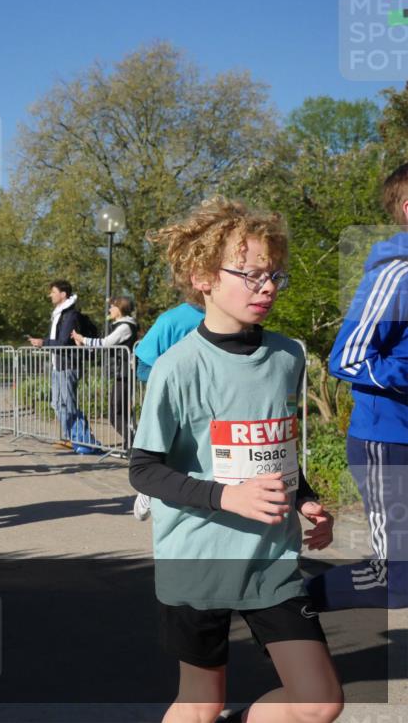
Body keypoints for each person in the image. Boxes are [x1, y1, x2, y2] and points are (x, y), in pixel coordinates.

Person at [130, 197, 342, 723]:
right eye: (250, 275)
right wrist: (227, 496)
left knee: (319, 703)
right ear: (203, 277)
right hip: (198, 562)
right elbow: (144, 469)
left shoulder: (288, 355)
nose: (267, 287)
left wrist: (308, 501)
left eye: (274, 276)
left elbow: (275, 451)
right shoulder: (177, 368)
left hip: (273, 562)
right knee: (202, 705)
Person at [307, 162, 408, 611]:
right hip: (388, 440)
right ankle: (289, 608)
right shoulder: (396, 274)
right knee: (396, 580)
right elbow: (346, 358)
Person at [131, 301, 205, 520]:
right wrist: (178, 380)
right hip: (177, 406)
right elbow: (143, 368)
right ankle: (148, 490)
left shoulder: (237, 317)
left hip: (217, 403)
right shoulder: (171, 320)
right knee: (171, 452)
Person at [27, 279, 99, 454]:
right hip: (58, 365)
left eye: (53, 291)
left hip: (68, 365)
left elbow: (63, 341)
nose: (50, 295)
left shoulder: (70, 315)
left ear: (63, 294)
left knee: (67, 404)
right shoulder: (59, 314)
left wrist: (43, 342)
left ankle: (84, 441)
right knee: (58, 404)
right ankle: (76, 438)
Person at [71, 295, 138, 443]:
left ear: (120, 309)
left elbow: (106, 343)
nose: (110, 309)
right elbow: (101, 347)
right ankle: (131, 445)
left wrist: (83, 339)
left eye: (112, 306)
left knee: (115, 413)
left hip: (125, 373)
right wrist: (82, 344)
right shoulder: (119, 325)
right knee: (120, 412)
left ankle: (136, 444)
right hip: (121, 373)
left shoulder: (125, 327)